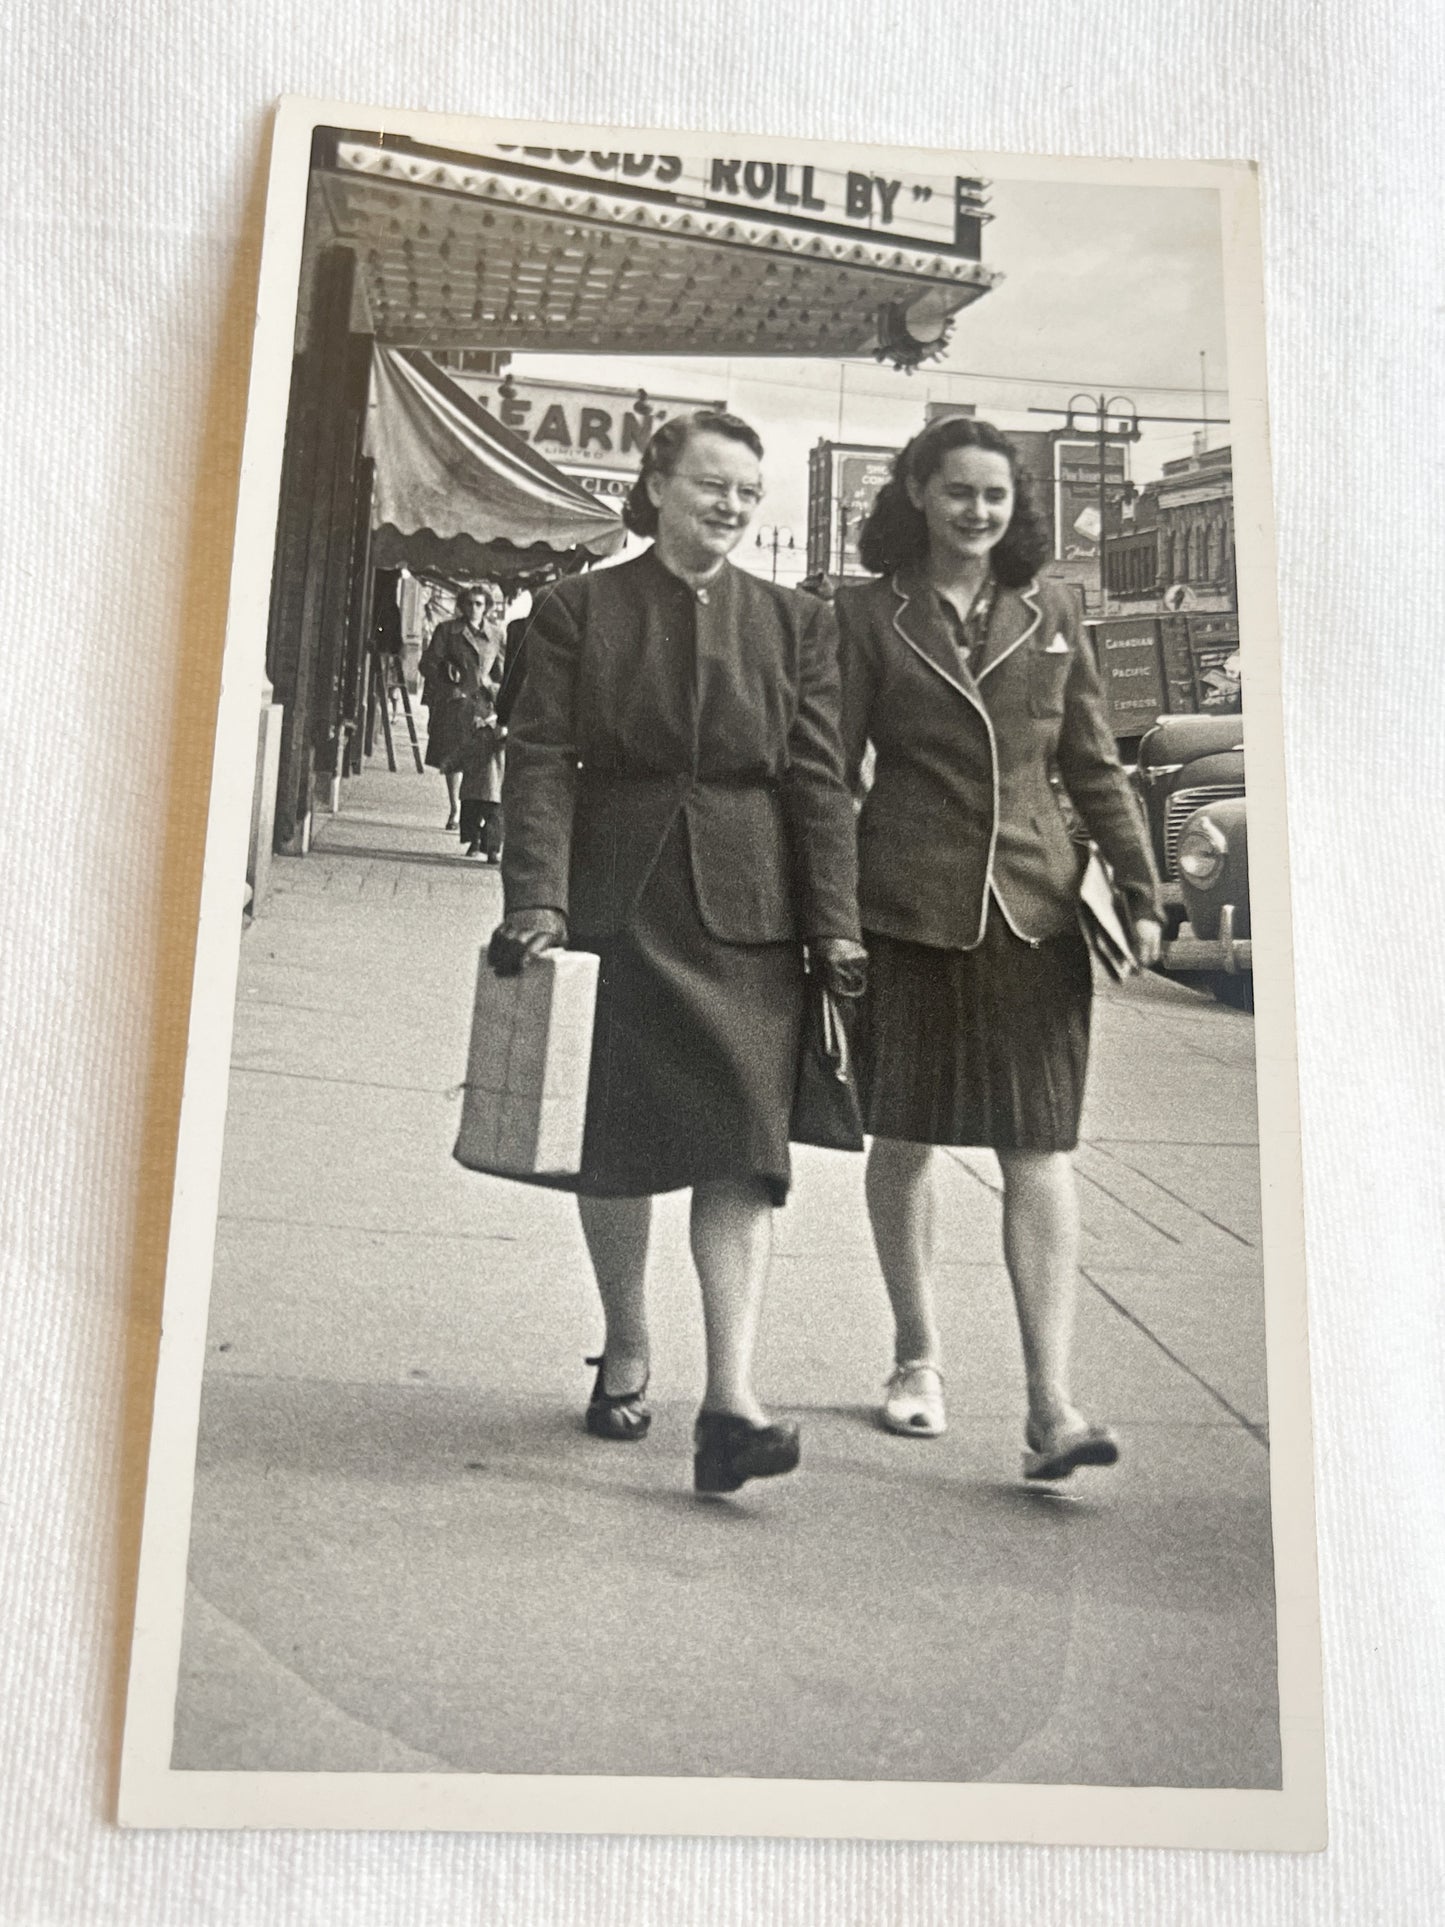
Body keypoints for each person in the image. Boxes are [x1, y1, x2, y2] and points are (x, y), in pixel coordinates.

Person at [484, 410, 867, 1496]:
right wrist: (539, 902)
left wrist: (833, 921)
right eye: (712, 485)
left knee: (745, 1146)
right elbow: (542, 760)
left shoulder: (796, 624)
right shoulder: (575, 609)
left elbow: (818, 781)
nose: (732, 508)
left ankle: (732, 1400)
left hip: (752, 913)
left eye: (748, 492)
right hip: (617, 904)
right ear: (655, 486)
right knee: (615, 1141)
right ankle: (627, 1343)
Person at [835, 416, 1163, 1480]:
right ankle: (914, 1358)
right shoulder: (863, 614)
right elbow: (829, 771)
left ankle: (1048, 1404)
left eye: (995, 496)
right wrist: (827, 912)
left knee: (1039, 1150)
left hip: (1034, 910)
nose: (978, 512)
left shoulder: (1054, 609)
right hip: (906, 910)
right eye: (958, 492)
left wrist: (1143, 888)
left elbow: (1094, 763)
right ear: (918, 495)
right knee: (905, 1136)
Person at [419, 585, 503, 829]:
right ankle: (455, 809)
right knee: (453, 757)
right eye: (469, 603)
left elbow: (501, 673)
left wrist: (495, 692)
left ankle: (471, 815)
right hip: (455, 702)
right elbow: (427, 664)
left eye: (479, 604)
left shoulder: (496, 635)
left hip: (482, 705)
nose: (473, 608)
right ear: (462, 606)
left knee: (480, 763)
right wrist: (445, 671)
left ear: (486, 607)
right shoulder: (447, 631)